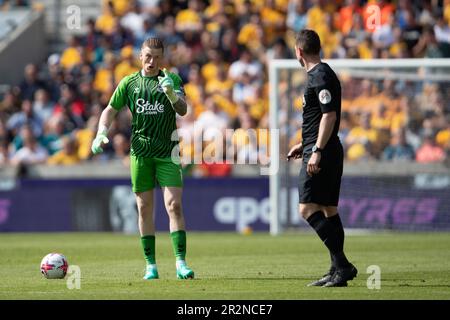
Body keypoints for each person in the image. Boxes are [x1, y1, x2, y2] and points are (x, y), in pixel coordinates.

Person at [91, 37, 194, 280]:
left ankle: (181, 263)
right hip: (141, 153)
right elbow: (109, 110)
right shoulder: (129, 83)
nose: (152, 61)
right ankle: (151, 265)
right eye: (148, 56)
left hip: (168, 152)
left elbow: (182, 109)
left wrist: (170, 93)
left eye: (157, 57)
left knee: (174, 205)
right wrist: (100, 132)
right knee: (144, 207)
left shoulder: (172, 79)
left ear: (162, 58)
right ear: (140, 56)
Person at [287, 29, 357, 287]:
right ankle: (337, 269)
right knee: (329, 210)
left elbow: (329, 116)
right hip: (319, 147)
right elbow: (320, 117)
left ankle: (343, 265)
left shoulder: (320, 76)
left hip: (322, 152)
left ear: (299, 52)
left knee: (306, 209)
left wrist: (315, 150)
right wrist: (303, 144)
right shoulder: (321, 74)